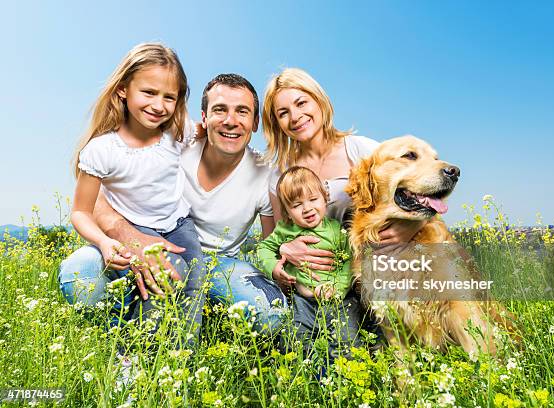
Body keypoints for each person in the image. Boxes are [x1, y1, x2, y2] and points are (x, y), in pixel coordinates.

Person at [59, 73, 287, 334]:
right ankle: (125, 336)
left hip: (217, 264)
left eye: (242, 112)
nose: (230, 121)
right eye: (219, 110)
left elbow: (272, 243)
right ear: (204, 118)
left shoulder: (266, 174)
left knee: (271, 311)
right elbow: (99, 195)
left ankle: (195, 321)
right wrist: (133, 240)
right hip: (140, 241)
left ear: (255, 122)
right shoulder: (175, 143)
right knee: (80, 275)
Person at [68, 42, 206, 340]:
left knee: (195, 282)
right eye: (149, 93)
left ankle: (185, 355)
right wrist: (105, 242)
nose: (159, 106)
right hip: (137, 226)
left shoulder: (176, 132)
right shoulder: (102, 150)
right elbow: (80, 212)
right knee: (159, 279)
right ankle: (136, 354)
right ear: (122, 89)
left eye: (169, 97)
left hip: (180, 226)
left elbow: (203, 129)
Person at [261, 67, 425, 291]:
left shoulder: (363, 151)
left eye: (301, 103)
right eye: (283, 113)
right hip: (316, 285)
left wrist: (410, 226)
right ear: (276, 123)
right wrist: (284, 250)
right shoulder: (280, 174)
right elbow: (276, 239)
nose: (295, 116)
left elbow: (422, 191)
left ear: (319, 101)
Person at [257, 167, 361, 360]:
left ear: (325, 198)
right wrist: (274, 268)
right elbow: (263, 248)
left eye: (313, 200)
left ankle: (343, 377)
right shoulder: (285, 231)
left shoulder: (337, 231)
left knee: (346, 339)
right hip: (301, 299)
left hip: (337, 300)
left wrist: (336, 289)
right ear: (287, 212)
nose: (307, 209)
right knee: (294, 339)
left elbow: (347, 262)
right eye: (296, 205)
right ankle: (307, 376)